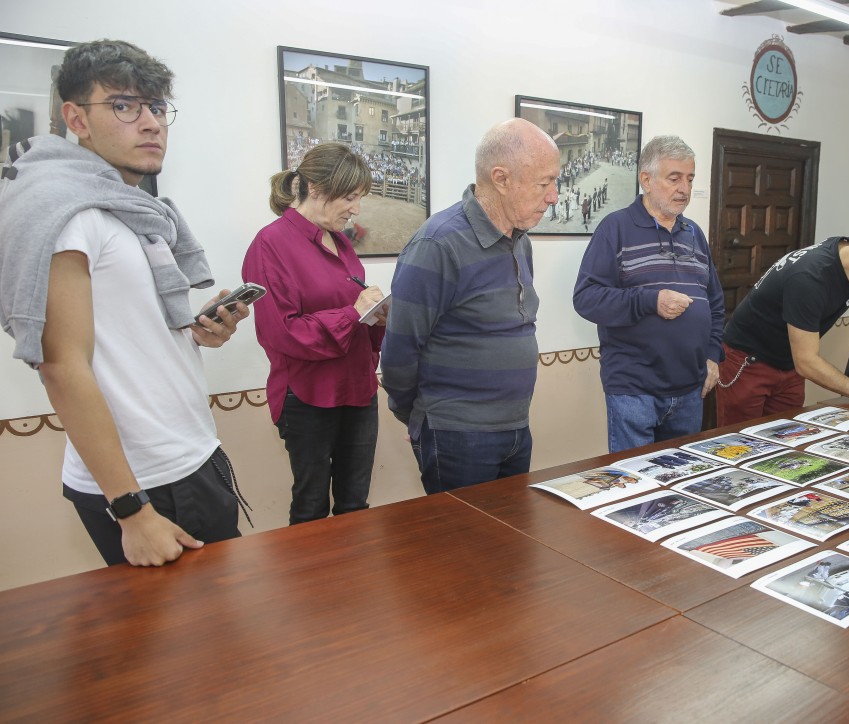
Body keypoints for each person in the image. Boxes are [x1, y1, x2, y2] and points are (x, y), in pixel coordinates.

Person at [0, 40, 249, 567]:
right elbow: (61, 365)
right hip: (144, 484)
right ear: (76, 118)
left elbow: (132, 332)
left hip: (189, 456)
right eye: (124, 106)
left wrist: (200, 329)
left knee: (224, 635)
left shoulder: (132, 210)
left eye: (157, 107)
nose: (151, 123)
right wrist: (131, 510)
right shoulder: (68, 213)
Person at [380, 118, 560, 494]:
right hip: (457, 435)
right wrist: (420, 419)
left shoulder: (519, 239)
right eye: (545, 183)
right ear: (502, 178)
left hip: (515, 428)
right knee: (463, 549)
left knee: (510, 546)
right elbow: (399, 351)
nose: (554, 196)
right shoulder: (438, 245)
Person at [242, 143, 385, 525]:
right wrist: (353, 313)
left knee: (355, 505)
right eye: (350, 198)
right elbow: (282, 333)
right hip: (308, 395)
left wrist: (378, 316)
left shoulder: (340, 241)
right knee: (311, 507)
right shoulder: (270, 244)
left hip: (356, 387)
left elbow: (353, 318)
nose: (356, 209)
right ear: (316, 189)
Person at [573, 135, 724, 452]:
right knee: (636, 490)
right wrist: (650, 301)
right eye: (674, 178)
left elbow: (715, 303)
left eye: (690, 178)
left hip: (689, 391)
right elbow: (587, 298)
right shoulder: (615, 228)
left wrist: (712, 356)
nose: (684, 188)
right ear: (646, 179)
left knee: (681, 485)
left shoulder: (694, 233)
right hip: (634, 390)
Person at [717, 229, 849, 426]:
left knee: (784, 440)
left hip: (789, 365)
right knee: (741, 443)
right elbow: (807, 362)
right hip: (749, 362)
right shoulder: (810, 277)